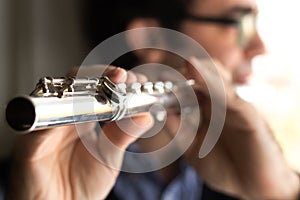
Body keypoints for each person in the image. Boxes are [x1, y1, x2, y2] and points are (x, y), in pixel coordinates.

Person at [2, 0, 300, 199]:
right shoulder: (20, 183)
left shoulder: (241, 173)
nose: (259, 47)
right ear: (151, 38)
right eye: (238, 23)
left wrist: (282, 192)